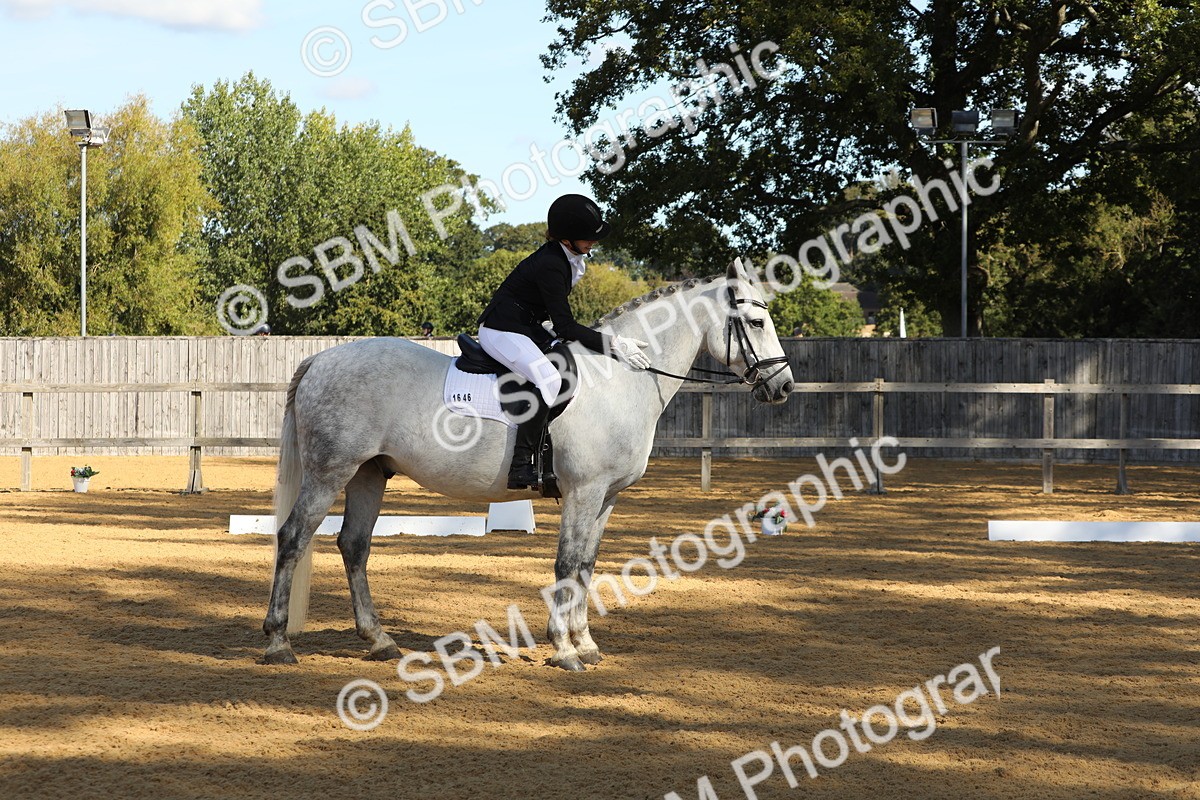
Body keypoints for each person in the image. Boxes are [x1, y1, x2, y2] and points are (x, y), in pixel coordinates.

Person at [477, 194, 651, 489]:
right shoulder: (551, 264)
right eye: (587, 238)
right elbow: (566, 325)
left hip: (526, 327)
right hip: (501, 330)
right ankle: (520, 465)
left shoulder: (568, 258)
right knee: (549, 378)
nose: (593, 242)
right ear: (568, 239)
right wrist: (615, 345)